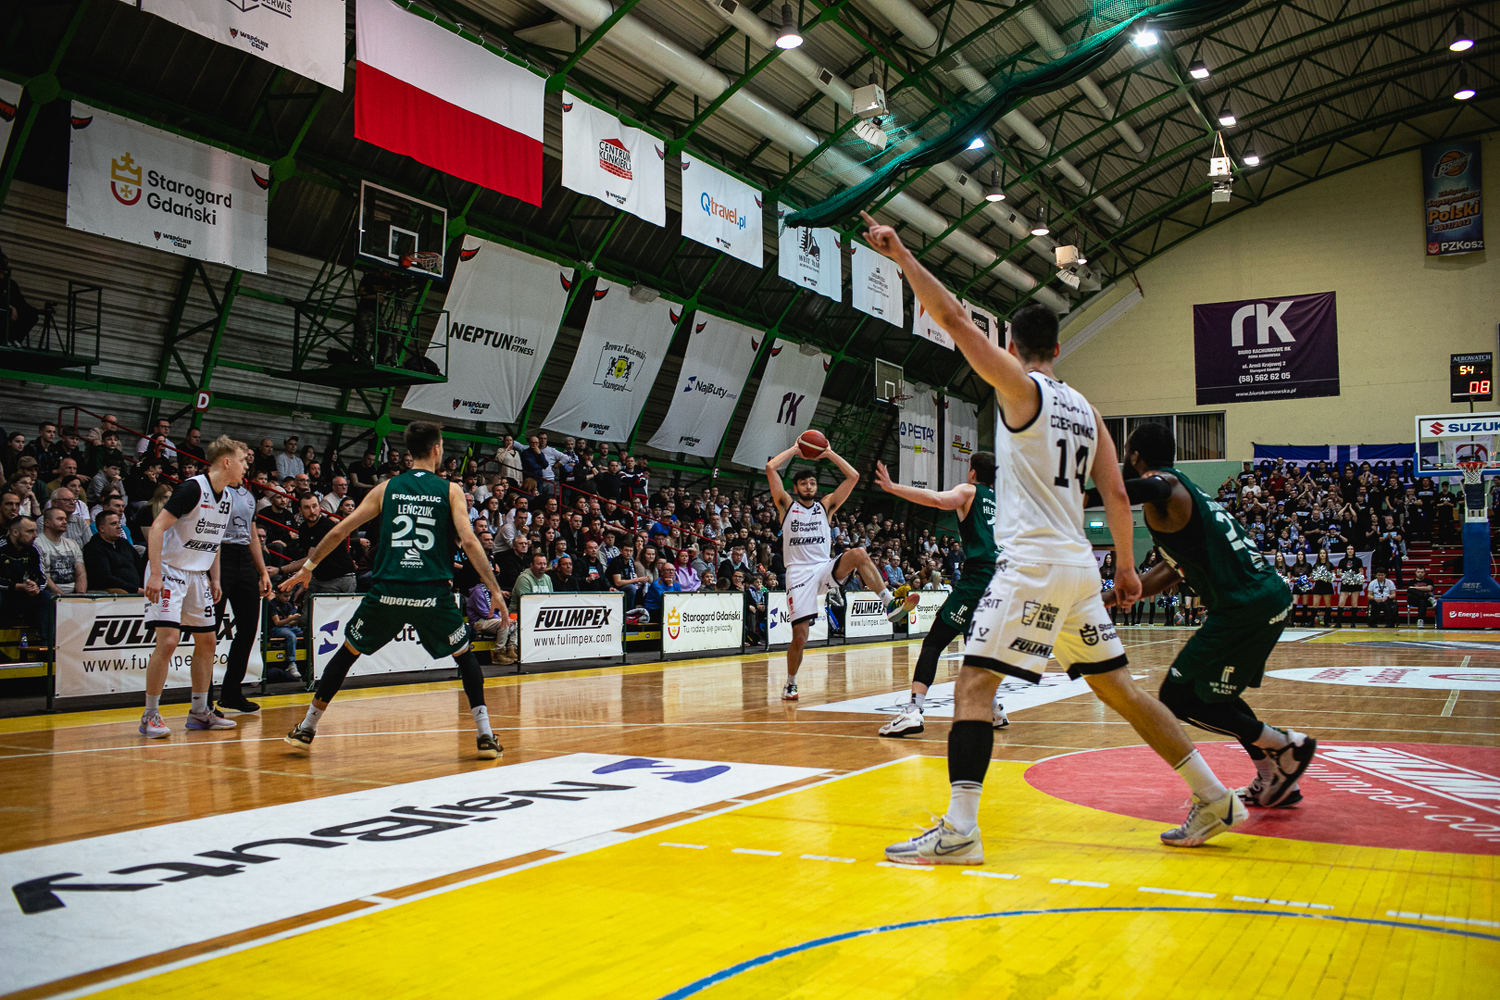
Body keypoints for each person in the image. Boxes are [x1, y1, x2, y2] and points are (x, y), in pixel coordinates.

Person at [862, 211, 1244, 863]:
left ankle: (960, 831)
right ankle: (1213, 794)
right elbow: (1117, 493)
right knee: (1121, 692)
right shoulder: (1088, 410)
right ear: (1059, 350)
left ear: (1012, 348)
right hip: (1080, 571)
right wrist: (1127, 568)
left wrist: (901, 255)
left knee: (973, 687)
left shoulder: (1020, 389)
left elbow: (951, 319)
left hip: (1033, 566)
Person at [1100, 422, 1317, 811]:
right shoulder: (1190, 494)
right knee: (1220, 696)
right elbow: (1171, 569)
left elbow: (1152, 488)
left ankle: (1285, 745)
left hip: (1244, 605)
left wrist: (1084, 494)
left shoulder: (1166, 484)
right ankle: (1273, 777)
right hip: (1261, 599)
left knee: (1177, 697)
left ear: (1134, 456)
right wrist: (1111, 597)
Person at [280, 423, 506, 759]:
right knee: (464, 656)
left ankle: (308, 727)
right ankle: (485, 735)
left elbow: (340, 530)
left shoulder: (386, 488)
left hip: (387, 591)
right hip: (431, 592)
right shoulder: (450, 490)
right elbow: (471, 542)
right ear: (437, 450)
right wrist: (495, 590)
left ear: (410, 452)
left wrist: (307, 567)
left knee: (347, 653)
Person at [764, 440, 916, 701]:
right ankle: (791, 683)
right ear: (796, 488)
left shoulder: (826, 506)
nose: (809, 486)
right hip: (798, 574)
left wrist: (829, 453)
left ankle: (889, 603)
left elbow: (853, 476)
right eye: (804, 483)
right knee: (800, 636)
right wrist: (796, 449)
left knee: (859, 553)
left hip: (824, 567)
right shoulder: (786, 506)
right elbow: (770, 468)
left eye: (812, 483)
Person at [873, 452, 1008, 737]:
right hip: (1002, 580)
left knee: (934, 642)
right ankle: (994, 708)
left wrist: (893, 487)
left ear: (973, 472)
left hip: (978, 578)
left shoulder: (969, 491)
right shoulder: (999, 501)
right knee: (975, 644)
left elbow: (936, 499)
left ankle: (913, 711)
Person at [137, 436, 249, 739]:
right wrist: (155, 574)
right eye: (242, 461)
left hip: (198, 573)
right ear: (227, 461)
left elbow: (215, 541)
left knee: (208, 642)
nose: (246, 467)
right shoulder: (192, 488)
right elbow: (157, 527)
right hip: (169, 570)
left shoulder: (228, 497)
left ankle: (200, 711)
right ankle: (150, 715)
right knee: (169, 641)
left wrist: (215, 578)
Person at [212, 472, 272, 713]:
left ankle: (231, 693)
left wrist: (262, 572)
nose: (246, 465)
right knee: (209, 633)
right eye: (242, 459)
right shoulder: (213, 490)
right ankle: (203, 701)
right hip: (219, 556)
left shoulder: (248, 495)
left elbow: (252, 534)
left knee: (248, 629)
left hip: (244, 559)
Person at [84, 510, 144, 594]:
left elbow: (140, 566)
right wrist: (136, 590)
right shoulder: (93, 548)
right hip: (114, 593)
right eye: (113, 524)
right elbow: (105, 578)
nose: (119, 527)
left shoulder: (123, 543)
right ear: (101, 528)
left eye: (119, 523)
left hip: (138, 590)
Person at [35, 506, 87, 595]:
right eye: (60, 519)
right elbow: (41, 575)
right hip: (49, 595)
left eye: (65, 519)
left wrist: (80, 594)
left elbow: (81, 573)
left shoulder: (72, 544)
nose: (64, 522)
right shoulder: (37, 544)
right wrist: (62, 596)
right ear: (47, 523)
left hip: (73, 595)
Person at [267, 588, 305, 682]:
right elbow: (277, 623)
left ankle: (311, 662)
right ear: (277, 594)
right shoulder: (272, 604)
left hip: (287, 627)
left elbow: (290, 623)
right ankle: (291, 663)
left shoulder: (288, 605)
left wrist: (298, 619)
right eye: (285, 596)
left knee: (305, 633)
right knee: (291, 636)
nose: (287, 598)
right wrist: (291, 619)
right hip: (275, 629)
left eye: (289, 596)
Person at [1337, 545, 1365, 628]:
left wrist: (1355, 577)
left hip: (1355, 583)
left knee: (1354, 602)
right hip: (1345, 583)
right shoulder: (1342, 561)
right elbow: (1339, 573)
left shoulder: (1358, 560)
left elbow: (1361, 572)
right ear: (1346, 550)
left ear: (1354, 550)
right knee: (1341, 602)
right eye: (1348, 549)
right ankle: (1338, 623)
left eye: (1351, 549)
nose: (1350, 550)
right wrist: (1346, 576)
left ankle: (1353, 623)